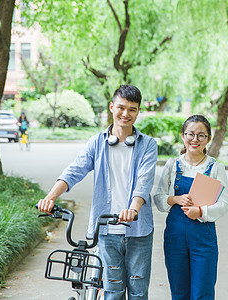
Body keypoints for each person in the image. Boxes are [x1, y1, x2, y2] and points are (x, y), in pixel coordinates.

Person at [37, 84, 158, 300]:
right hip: (106, 230)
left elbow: (144, 181)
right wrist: (50, 198)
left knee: (139, 293)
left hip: (138, 230)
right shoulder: (97, 143)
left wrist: (133, 209)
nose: (126, 114)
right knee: (112, 291)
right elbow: (74, 170)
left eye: (132, 109)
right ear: (112, 107)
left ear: (138, 112)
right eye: (121, 107)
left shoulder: (147, 145)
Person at [154, 115, 228, 300]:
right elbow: (159, 197)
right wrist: (175, 199)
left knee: (202, 293)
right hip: (175, 235)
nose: (195, 140)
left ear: (208, 139)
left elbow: (224, 203)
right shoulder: (173, 165)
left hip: (203, 236)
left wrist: (201, 211)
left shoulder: (215, 167)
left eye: (201, 136)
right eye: (190, 134)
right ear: (182, 136)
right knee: (179, 292)